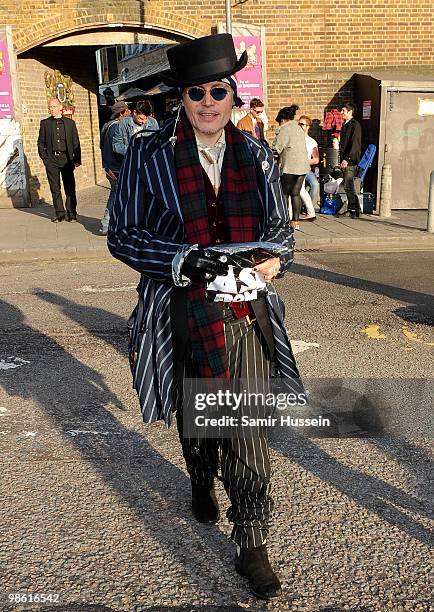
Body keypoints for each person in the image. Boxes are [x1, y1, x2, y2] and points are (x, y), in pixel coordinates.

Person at [108, 33, 301, 601]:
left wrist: (274, 257)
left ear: (233, 95)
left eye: (219, 90)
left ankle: (252, 540)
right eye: (197, 92)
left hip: (243, 307)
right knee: (197, 413)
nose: (209, 101)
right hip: (178, 305)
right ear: (181, 98)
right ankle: (198, 472)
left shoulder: (258, 154)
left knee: (244, 425)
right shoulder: (148, 154)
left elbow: (281, 229)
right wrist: (178, 258)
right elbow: (122, 234)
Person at [37, 97, 81, 222]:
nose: (51, 109)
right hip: (52, 160)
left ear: (60, 107)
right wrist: (45, 159)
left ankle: (71, 213)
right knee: (55, 188)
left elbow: (75, 141)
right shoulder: (44, 123)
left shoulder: (70, 123)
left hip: (67, 159)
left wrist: (77, 158)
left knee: (70, 187)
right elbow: (41, 142)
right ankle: (59, 213)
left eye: (54, 106)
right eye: (50, 107)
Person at [272, 105, 309, 230]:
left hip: (290, 166)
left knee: (283, 193)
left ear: (282, 119)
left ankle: (283, 220)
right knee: (296, 193)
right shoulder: (298, 128)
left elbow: (277, 148)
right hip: (302, 166)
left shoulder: (285, 129)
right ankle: (295, 221)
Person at [99, 101, 130, 235]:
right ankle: (109, 224)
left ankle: (107, 224)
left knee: (115, 194)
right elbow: (118, 149)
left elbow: (101, 145)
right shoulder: (118, 127)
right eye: (127, 110)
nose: (129, 112)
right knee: (119, 196)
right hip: (117, 168)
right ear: (122, 113)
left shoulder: (106, 126)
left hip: (109, 166)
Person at [339, 102, 362, 218]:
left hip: (350, 160)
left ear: (350, 111)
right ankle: (355, 209)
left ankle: (353, 209)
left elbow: (355, 145)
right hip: (345, 159)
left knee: (348, 185)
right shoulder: (345, 125)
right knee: (348, 185)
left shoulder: (355, 125)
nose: (341, 112)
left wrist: (347, 159)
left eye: (343, 110)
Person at [298, 115, 319, 217]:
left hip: (306, 168)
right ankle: (307, 208)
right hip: (296, 168)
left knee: (315, 185)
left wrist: (305, 162)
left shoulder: (311, 142)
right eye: (299, 124)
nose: (300, 126)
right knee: (299, 189)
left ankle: (306, 207)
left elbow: (316, 159)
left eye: (302, 124)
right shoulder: (295, 139)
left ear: (308, 127)